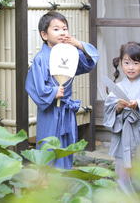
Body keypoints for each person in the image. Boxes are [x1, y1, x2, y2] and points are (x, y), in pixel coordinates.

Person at [25, 11, 99, 169]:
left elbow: (89, 63)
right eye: (56, 29)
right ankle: (45, 184)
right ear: (44, 35)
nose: (62, 33)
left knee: (65, 146)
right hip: (49, 112)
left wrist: (78, 45)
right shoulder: (41, 58)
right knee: (48, 145)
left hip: (65, 111)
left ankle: (63, 183)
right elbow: (33, 85)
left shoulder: (70, 54)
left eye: (65, 29)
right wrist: (52, 93)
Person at [103, 42, 140, 202]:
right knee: (123, 170)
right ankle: (125, 198)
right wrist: (118, 107)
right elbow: (109, 110)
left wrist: (139, 104)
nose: (131, 67)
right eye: (126, 62)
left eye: (136, 63)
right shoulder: (118, 87)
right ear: (120, 63)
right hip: (124, 136)